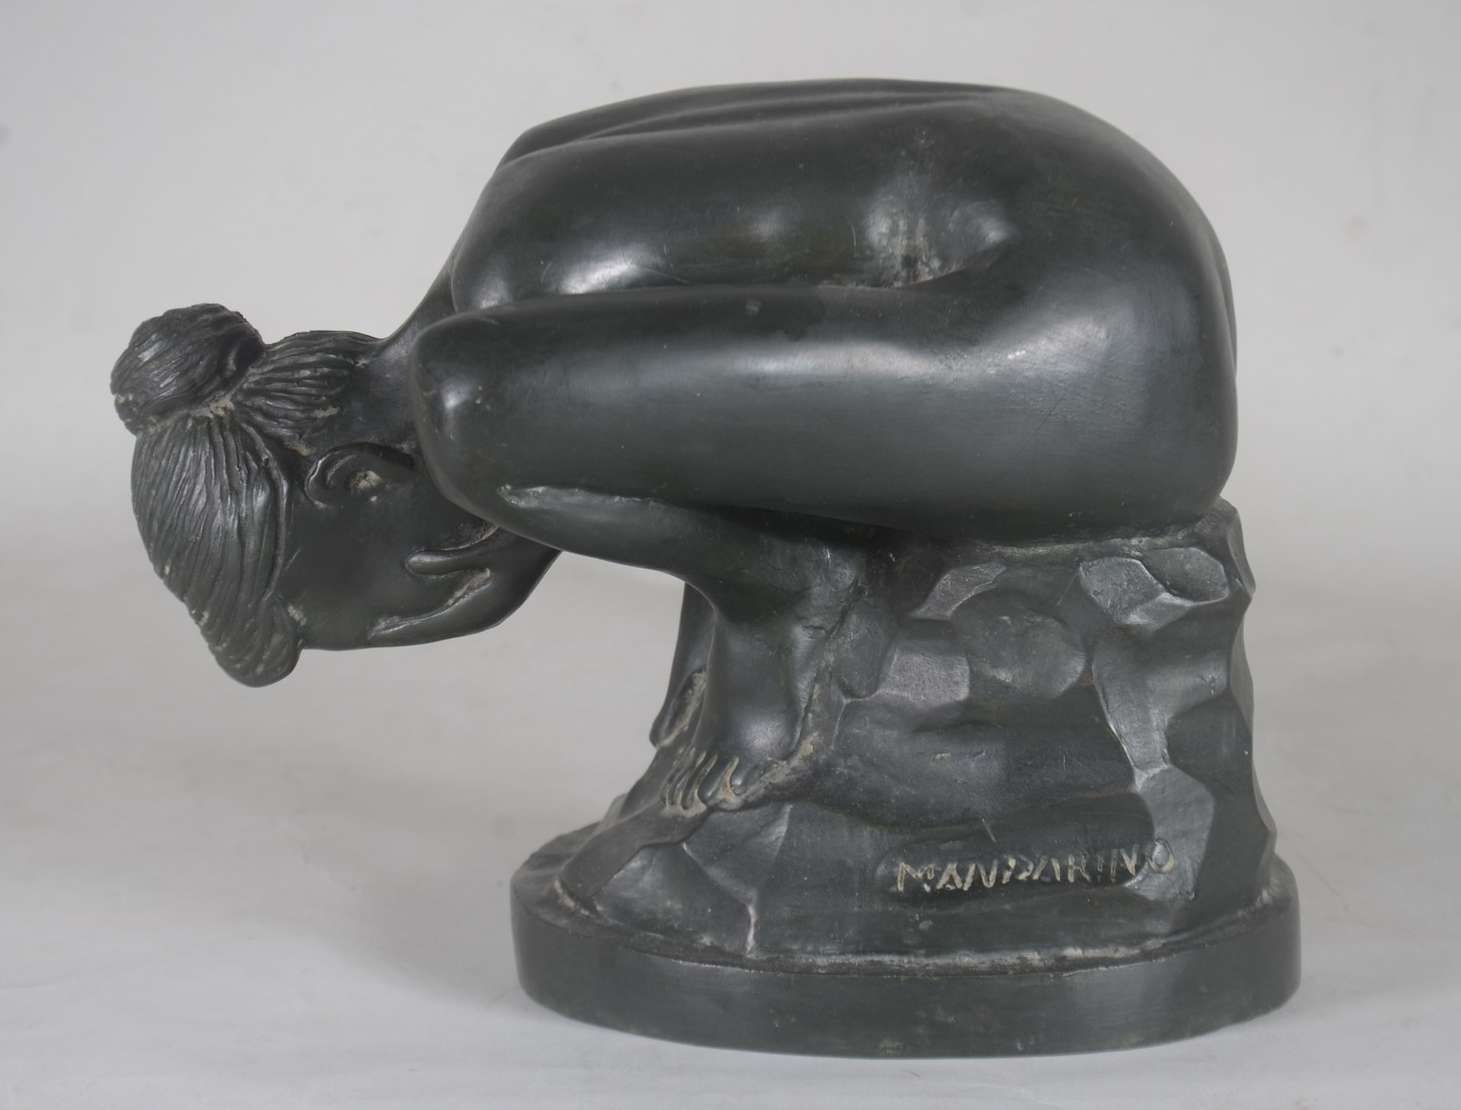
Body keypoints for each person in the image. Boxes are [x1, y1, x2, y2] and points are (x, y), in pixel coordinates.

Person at [113, 79, 1237, 731]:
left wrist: (761, 625)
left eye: (366, 615)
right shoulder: (520, 195)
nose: (411, 617)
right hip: (1124, 262)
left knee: (476, 411)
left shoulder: (481, 393)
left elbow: (793, 572)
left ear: (357, 482)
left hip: (1111, 383)